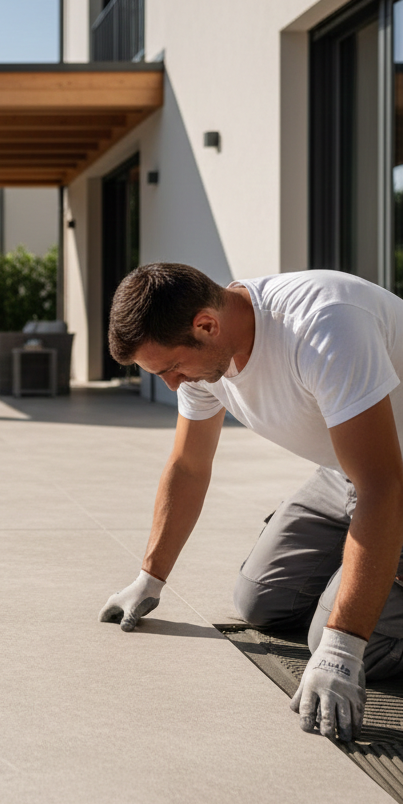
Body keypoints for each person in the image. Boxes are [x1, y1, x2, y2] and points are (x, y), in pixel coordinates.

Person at [99, 263, 403, 742]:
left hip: (388, 477)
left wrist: (343, 649)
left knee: (329, 639)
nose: (173, 384)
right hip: (347, 470)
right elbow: (189, 466)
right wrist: (149, 578)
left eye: (171, 368)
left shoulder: (324, 325)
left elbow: (384, 487)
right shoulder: (206, 360)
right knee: (259, 599)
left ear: (206, 325)